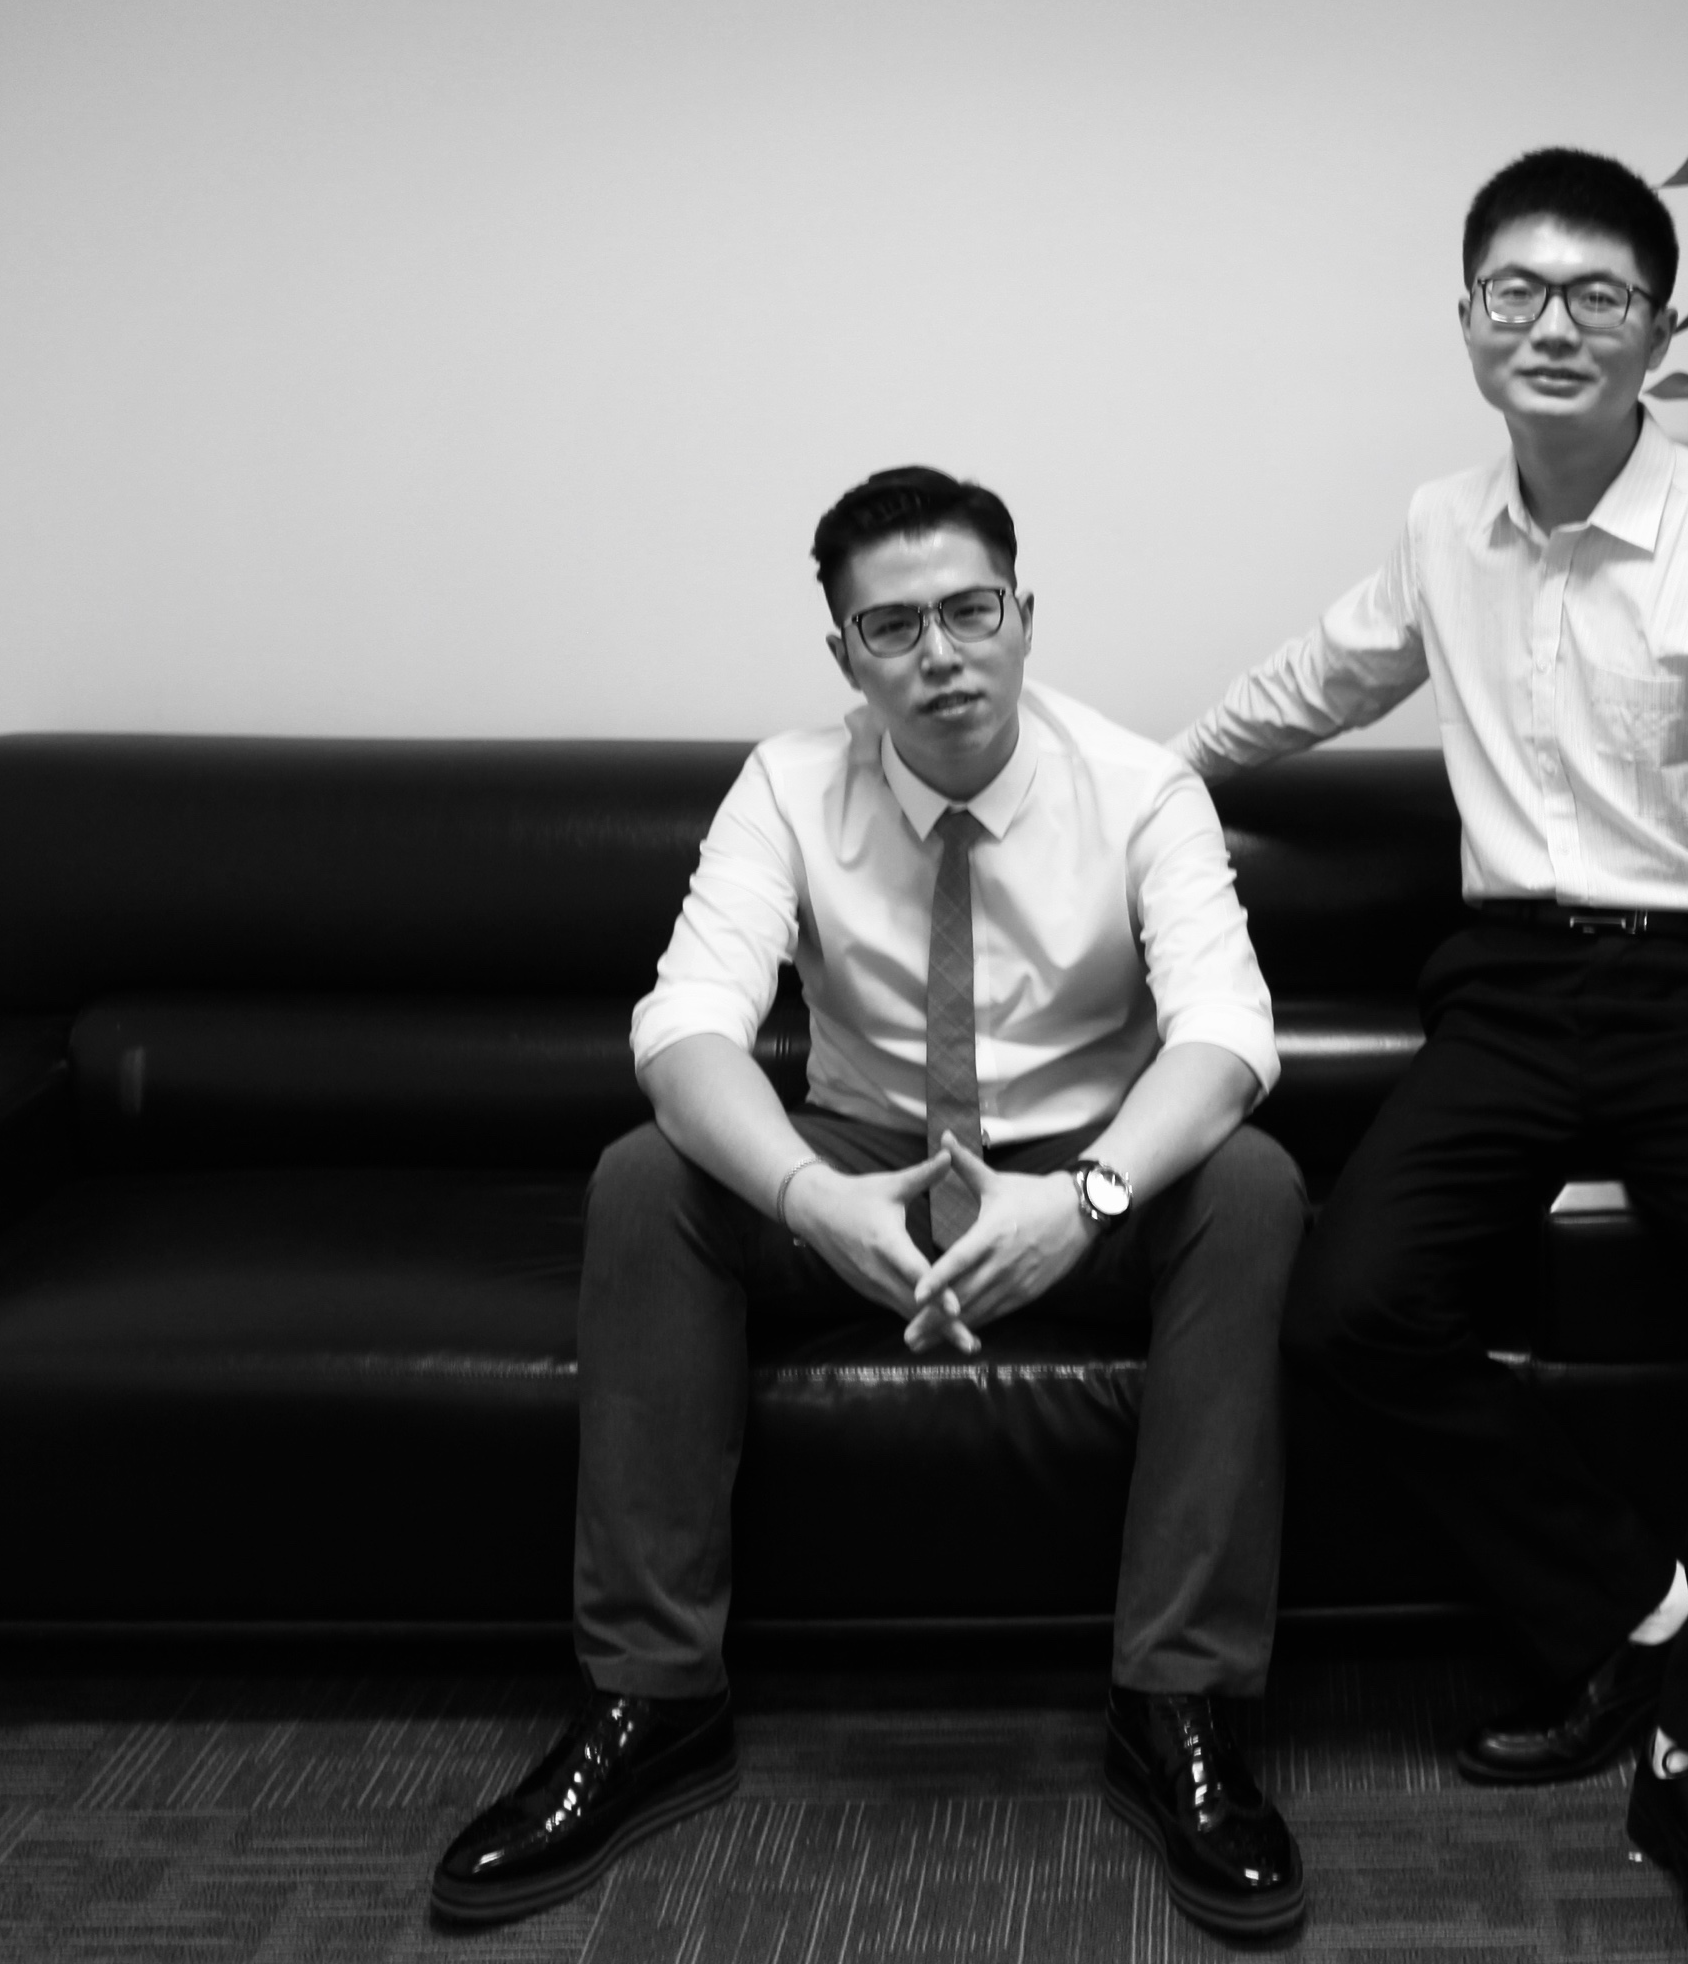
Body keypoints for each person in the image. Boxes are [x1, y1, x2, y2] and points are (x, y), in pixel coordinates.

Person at [430, 467, 1312, 1941]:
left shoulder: (1140, 789)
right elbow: (685, 1027)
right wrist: (809, 1196)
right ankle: (653, 1700)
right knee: (646, 1179)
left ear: (1025, 617)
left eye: (971, 611)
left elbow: (1226, 1033)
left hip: (1071, 1161)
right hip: (859, 1157)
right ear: (845, 655)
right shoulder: (788, 785)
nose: (941, 655)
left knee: (1253, 1182)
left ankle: (1181, 1706)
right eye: (893, 627)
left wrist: (1082, 1198)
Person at [1175, 149, 1688, 1964]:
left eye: (1596, 297)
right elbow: (1318, 678)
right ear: (1468, 320)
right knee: (1349, 1314)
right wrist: (1138, 785)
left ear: (1660, 328)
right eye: (1517, 293)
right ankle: (1641, 1616)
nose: (1553, 327)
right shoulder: (1443, 529)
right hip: (1505, 989)